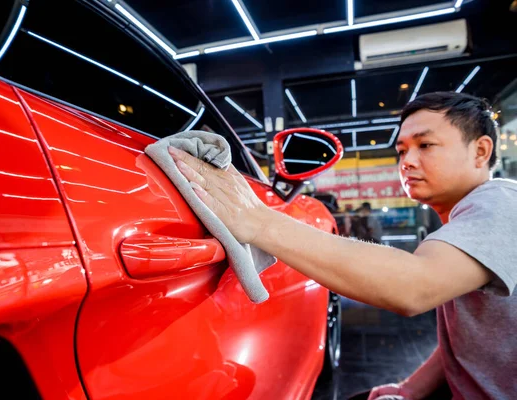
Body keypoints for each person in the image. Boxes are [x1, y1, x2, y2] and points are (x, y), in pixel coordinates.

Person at [169, 91, 517, 399]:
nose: (407, 162)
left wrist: (258, 220)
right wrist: (411, 389)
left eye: (425, 145)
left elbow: (414, 286)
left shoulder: (502, 203)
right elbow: (469, 342)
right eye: (401, 150)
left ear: (481, 150)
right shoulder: (468, 219)